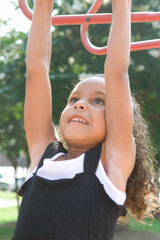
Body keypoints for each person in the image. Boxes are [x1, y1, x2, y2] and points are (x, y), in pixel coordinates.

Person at [12, 0, 157, 239]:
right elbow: (36, 68)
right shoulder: (43, 156)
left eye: (98, 101)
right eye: (73, 100)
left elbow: (116, 71)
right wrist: (43, 6)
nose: (79, 104)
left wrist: (121, 5)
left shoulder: (109, 166)